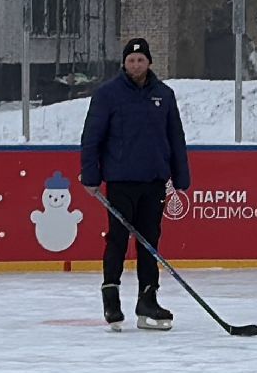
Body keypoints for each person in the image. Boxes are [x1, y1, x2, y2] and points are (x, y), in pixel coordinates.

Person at [80, 37, 191, 331]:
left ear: (149, 63)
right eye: (131, 60)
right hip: (120, 180)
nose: (136, 65)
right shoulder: (108, 94)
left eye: (141, 60)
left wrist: (181, 177)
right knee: (118, 238)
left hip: (154, 181)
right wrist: (90, 176)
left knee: (149, 242)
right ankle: (111, 296)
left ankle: (147, 299)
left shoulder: (164, 95)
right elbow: (91, 137)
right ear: (124, 63)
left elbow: (175, 138)